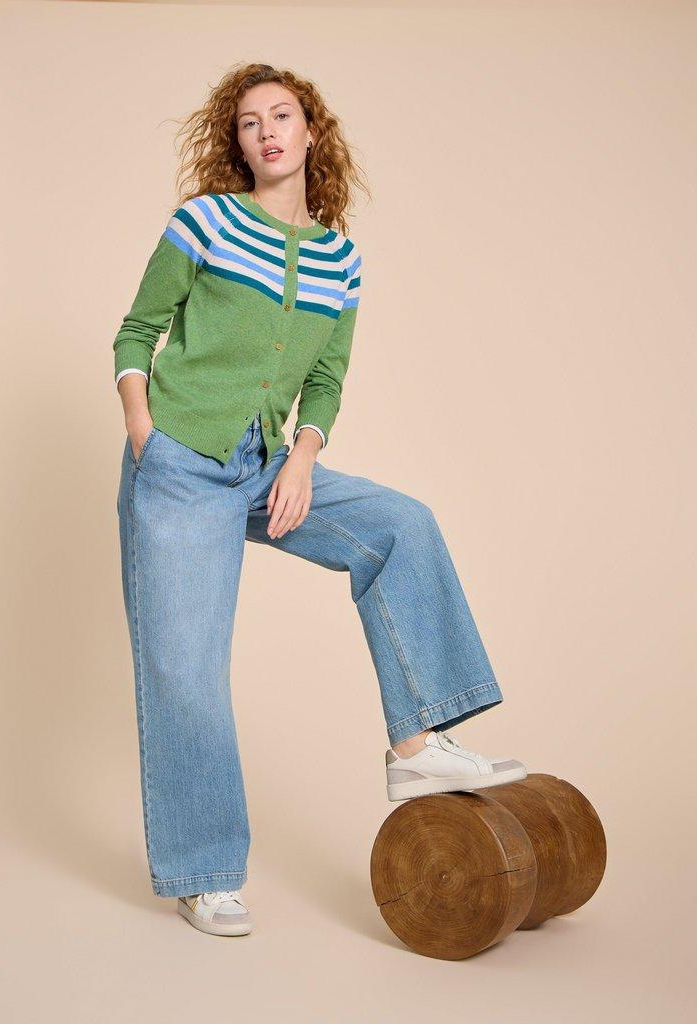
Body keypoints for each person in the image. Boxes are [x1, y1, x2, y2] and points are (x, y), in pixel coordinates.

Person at [113, 62, 527, 937]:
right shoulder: (205, 222)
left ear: (311, 133)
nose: (267, 131)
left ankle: (416, 746)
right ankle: (205, 871)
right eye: (250, 121)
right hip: (180, 464)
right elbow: (138, 331)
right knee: (186, 670)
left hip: (267, 462)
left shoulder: (341, 259)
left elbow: (328, 379)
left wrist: (300, 459)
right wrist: (146, 434)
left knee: (400, 526)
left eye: (282, 115)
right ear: (237, 142)